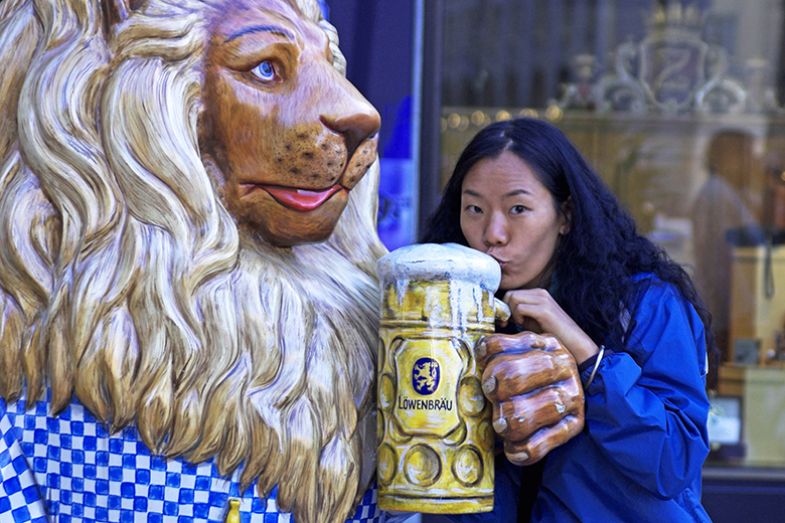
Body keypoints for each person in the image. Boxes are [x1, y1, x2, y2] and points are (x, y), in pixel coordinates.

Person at [421, 117, 714, 522]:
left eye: (518, 209)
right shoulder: (452, 314)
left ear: (566, 216)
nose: (493, 233)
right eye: (474, 209)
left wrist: (586, 355)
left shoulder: (647, 303)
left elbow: (673, 462)